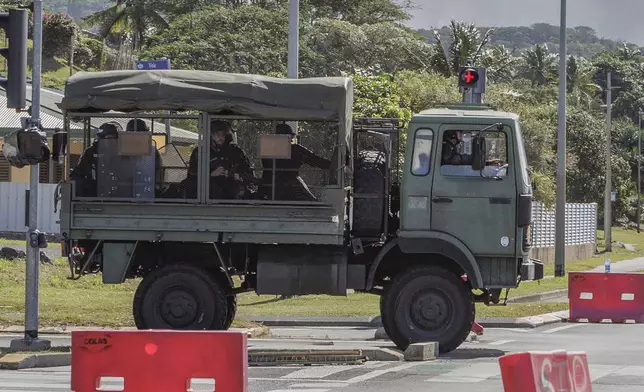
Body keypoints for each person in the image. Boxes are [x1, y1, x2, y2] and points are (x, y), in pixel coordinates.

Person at [260, 123, 331, 201]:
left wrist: (261, 192)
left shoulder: (268, 152)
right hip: (292, 189)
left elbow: (266, 174)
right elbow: (316, 161)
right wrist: (334, 164)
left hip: (273, 191)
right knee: (314, 204)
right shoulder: (295, 150)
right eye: (290, 136)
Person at [187, 119, 254, 199]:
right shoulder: (200, 151)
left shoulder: (235, 152)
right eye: (217, 134)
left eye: (223, 134)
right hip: (207, 195)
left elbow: (247, 169)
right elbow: (192, 174)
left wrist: (238, 175)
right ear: (211, 135)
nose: (220, 137)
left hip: (231, 193)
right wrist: (211, 174)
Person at [69, 121, 122, 197]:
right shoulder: (90, 152)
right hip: (94, 198)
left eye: (114, 138)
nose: (112, 142)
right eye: (108, 138)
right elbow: (78, 174)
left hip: (119, 197)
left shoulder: (122, 153)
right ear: (100, 139)